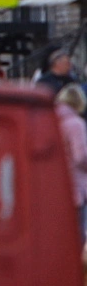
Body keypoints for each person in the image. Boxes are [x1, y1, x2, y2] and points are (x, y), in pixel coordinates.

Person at [56, 85, 87, 236]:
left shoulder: (52, 120)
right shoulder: (76, 123)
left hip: (54, 186)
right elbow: (81, 156)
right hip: (75, 186)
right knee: (76, 234)